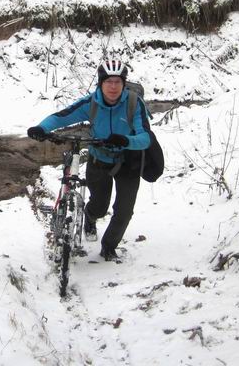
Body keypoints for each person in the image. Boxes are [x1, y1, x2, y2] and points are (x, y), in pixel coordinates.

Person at [27, 58, 150, 262]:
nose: (112, 87)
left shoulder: (134, 104)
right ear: (100, 83)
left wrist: (125, 140)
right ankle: (90, 219)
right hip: (99, 159)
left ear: (124, 83)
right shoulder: (91, 103)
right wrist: (42, 128)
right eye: (108, 81)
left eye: (117, 82)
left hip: (128, 161)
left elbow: (145, 137)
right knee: (99, 206)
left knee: (124, 210)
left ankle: (109, 246)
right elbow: (62, 116)